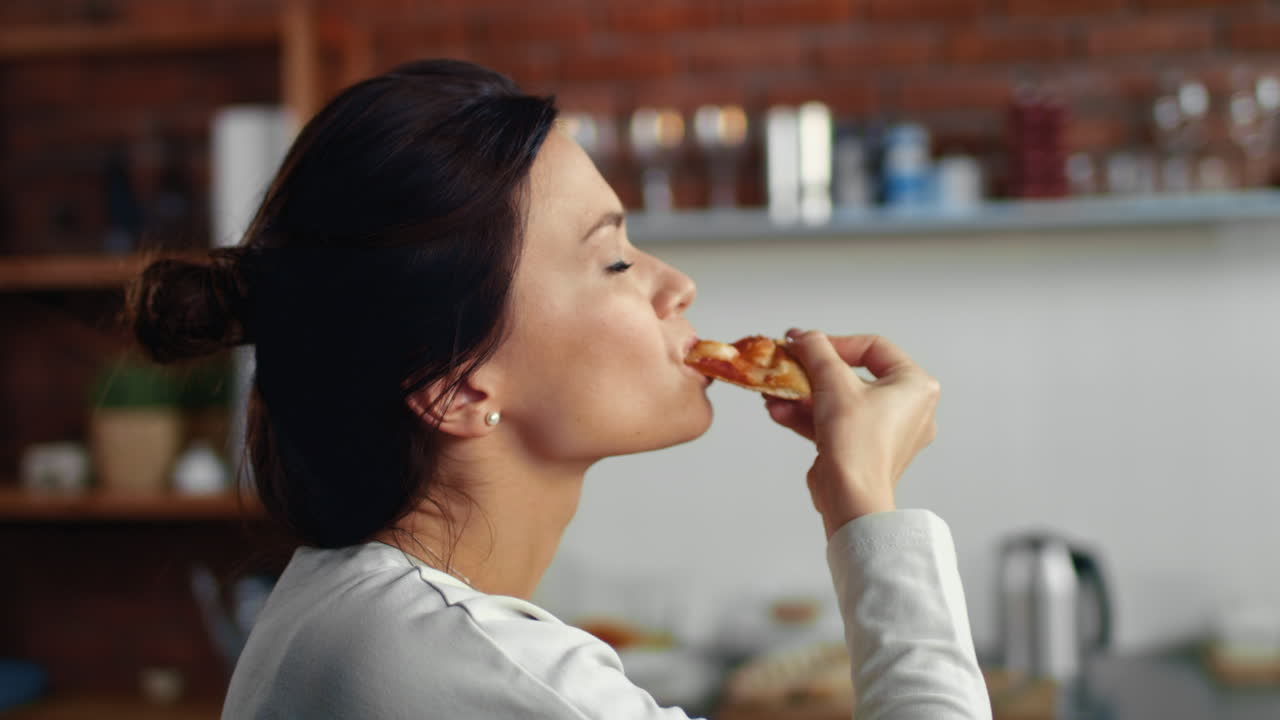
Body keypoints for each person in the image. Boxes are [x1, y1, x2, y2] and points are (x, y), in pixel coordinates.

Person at [129, 59, 991, 719]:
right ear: (455, 386)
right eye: (613, 259)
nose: (676, 285)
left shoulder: (353, 611)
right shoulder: (483, 672)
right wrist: (867, 502)